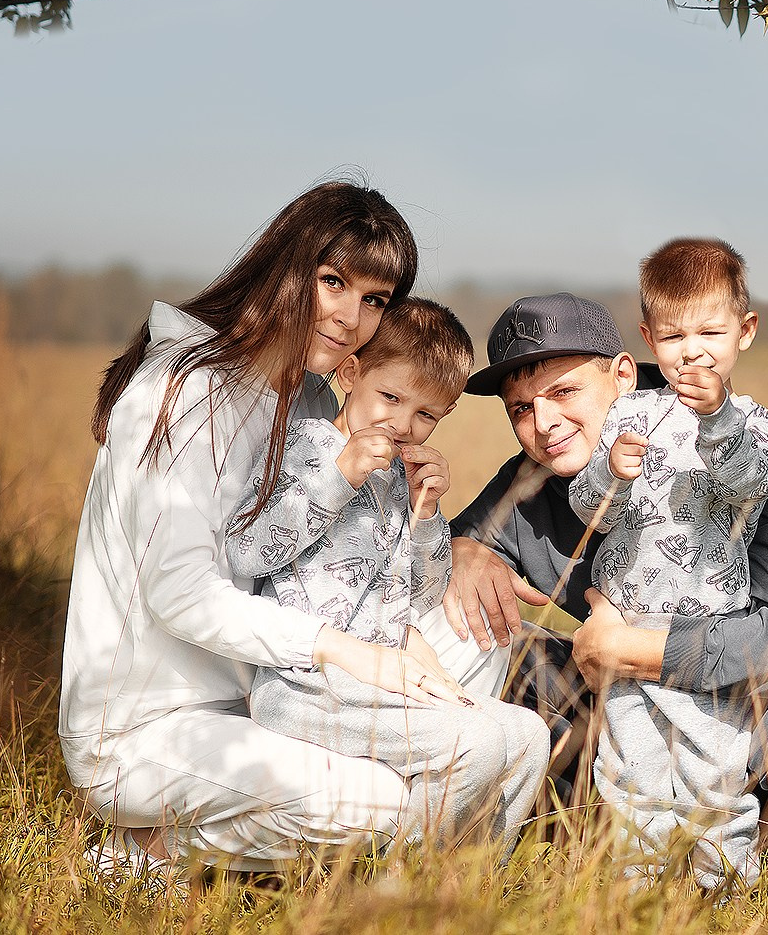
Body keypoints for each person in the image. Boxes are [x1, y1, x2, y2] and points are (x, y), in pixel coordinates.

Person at [60, 182, 543, 874]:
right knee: (380, 805)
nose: (350, 316)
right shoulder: (184, 391)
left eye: (374, 299)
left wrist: (443, 537)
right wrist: (342, 650)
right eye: (333, 281)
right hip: (155, 725)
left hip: (274, 681)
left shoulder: (313, 390)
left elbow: (354, 563)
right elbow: (183, 596)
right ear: (287, 267)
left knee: (482, 626)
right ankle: (147, 850)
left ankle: (433, 851)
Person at [418, 291, 768, 838]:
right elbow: (463, 537)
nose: (544, 423)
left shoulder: (738, 461)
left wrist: (636, 652)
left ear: (621, 376)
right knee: (494, 649)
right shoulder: (535, 474)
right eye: (520, 407)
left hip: (757, 709)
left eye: (564, 392)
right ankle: (598, 834)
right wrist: (464, 550)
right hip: (631, 713)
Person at [227, 297, 548, 851]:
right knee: (472, 743)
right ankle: (403, 883)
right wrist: (340, 475)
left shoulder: (402, 478)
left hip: (382, 678)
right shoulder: (302, 448)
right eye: (391, 398)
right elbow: (248, 553)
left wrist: (426, 517)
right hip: (303, 684)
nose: (404, 424)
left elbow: (421, 598)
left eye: (426, 414)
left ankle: (466, 882)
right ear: (352, 373)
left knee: (526, 735)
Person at [569, 240, 768, 887]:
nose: (691, 350)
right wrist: (610, 473)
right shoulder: (628, 414)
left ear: (744, 332)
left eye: (711, 332)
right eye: (673, 335)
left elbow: (749, 484)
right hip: (629, 626)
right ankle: (640, 895)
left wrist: (715, 417)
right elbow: (590, 511)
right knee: (633, 776)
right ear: (647, 337)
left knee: (714, 778)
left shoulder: (753, 421)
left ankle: (724, 891)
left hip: (704, 638)